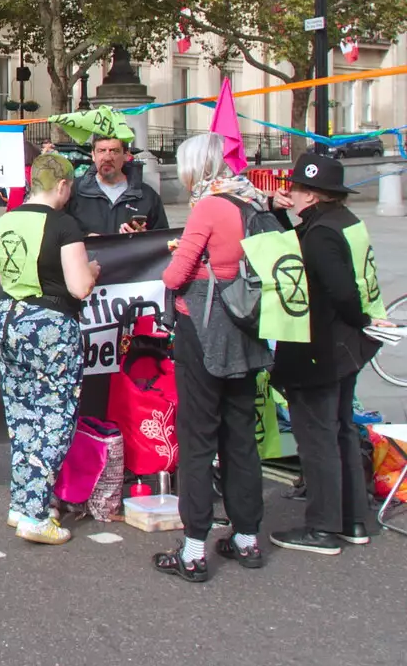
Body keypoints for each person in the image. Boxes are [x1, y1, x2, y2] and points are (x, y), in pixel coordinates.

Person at [154, 133, 270, 583]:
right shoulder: (252, 201)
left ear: (196, 169)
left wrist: (183, 258)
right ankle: (247, 538)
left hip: (204, 329)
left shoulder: (209, 207)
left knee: (198, 437)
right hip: (249, 328)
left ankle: (195, 547)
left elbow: (175, 273)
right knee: (241, 435)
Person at [268, 150, 381, 555]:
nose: (291, 195)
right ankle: (353, 520)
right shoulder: (342, 221)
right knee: (342, 431)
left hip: (319, 349)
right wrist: (279, 214)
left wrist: (354, 317)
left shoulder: (321, 234)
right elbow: (292, 248)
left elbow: (341, 290)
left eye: (296, 189)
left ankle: (322, 527)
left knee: (317, 437)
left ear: (312, 196)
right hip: (345, 347)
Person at [0, 152, 100, 545]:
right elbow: (79, 287)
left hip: (6, 316)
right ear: (64, 186)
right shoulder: (64, 225)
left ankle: (21, 502)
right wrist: (94, 271)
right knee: (54, 415)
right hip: (48, 323)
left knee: (21, 413)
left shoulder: (6, 220)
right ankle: (36, 513)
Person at [66, 133, 168, 235]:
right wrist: (84, 238)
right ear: (93, 155)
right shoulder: (73, 190)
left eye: (114, 151)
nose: (107, 158)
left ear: (126, 156)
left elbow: (162, 240)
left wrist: (143, 237)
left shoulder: (147, 196)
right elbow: (57, 233)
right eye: (101, 151)